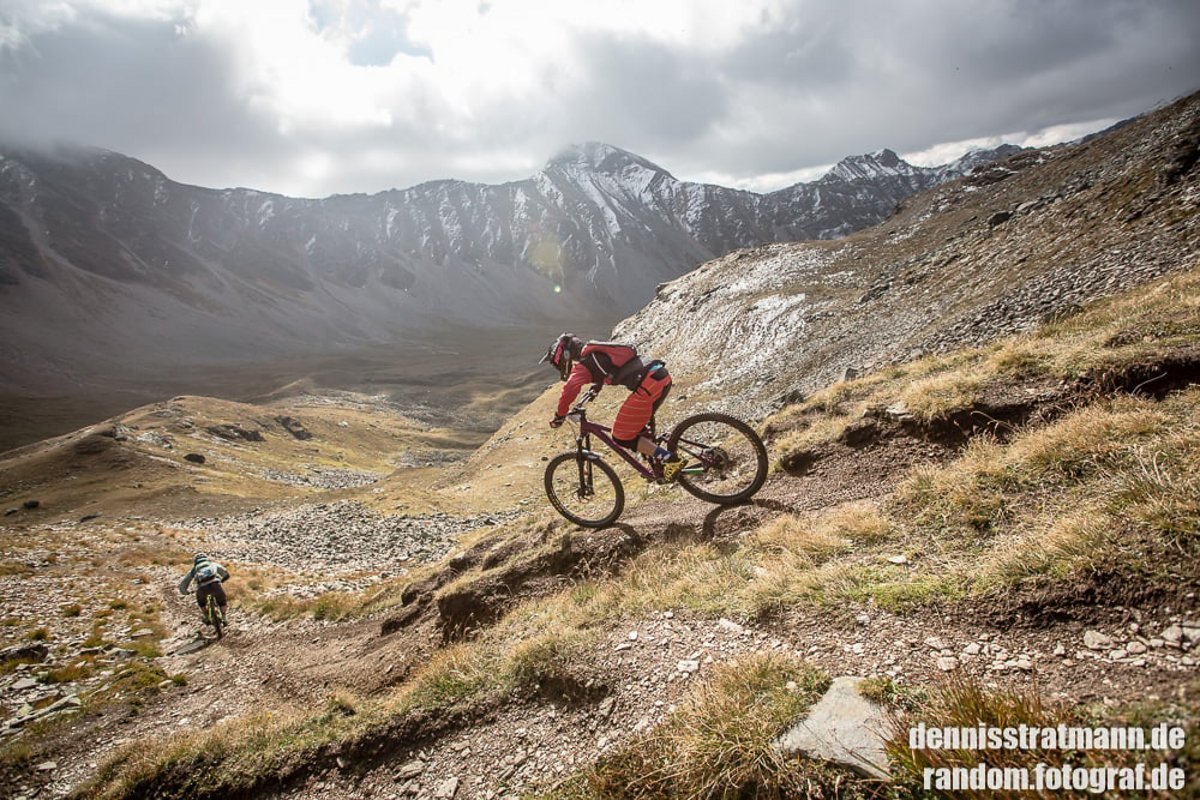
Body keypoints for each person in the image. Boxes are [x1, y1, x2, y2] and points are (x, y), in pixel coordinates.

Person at [542, 333, 686, 482]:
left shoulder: (584, 365)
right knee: (638, 430)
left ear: (566, 355)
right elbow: (607, 370)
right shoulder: (595, 353)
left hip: (648, 386)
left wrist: (559, 415)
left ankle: (671, 460)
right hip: (659, 376)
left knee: (621, 436)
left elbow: (569, 389)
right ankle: (658, 467)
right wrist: (594, 390)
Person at [178, 553, 230, 627]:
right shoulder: (212, 564)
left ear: (195, 562)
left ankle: (207, 617)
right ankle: (224, 618)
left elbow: (183, 584)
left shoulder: (194, 570)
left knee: (201, 602)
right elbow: (226, 573)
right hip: (215, 585)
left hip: (202, 588)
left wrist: (186, 592)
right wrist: (221, 580)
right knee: (222, 601)